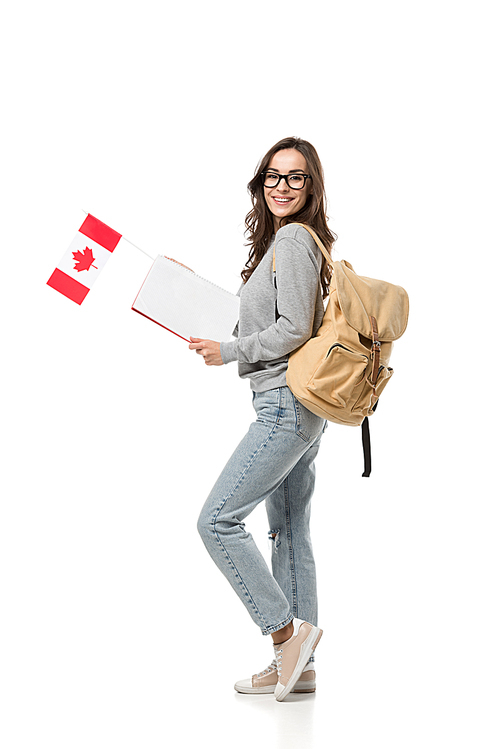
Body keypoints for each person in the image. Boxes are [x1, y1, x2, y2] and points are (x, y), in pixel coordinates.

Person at [189, 136, 336, 702]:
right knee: (290, 530)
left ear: (310, 186)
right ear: (262, 183)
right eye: (272, 177)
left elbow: (293, 328)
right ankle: (302, 668)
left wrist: (229, 353)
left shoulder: (295, 240)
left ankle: (285, 637)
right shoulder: (287, 244)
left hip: (283, 408)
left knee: (217, 521)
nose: (281, 187)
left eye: (294, 178)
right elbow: (262, 318)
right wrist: (188, 288)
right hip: (300, 408)